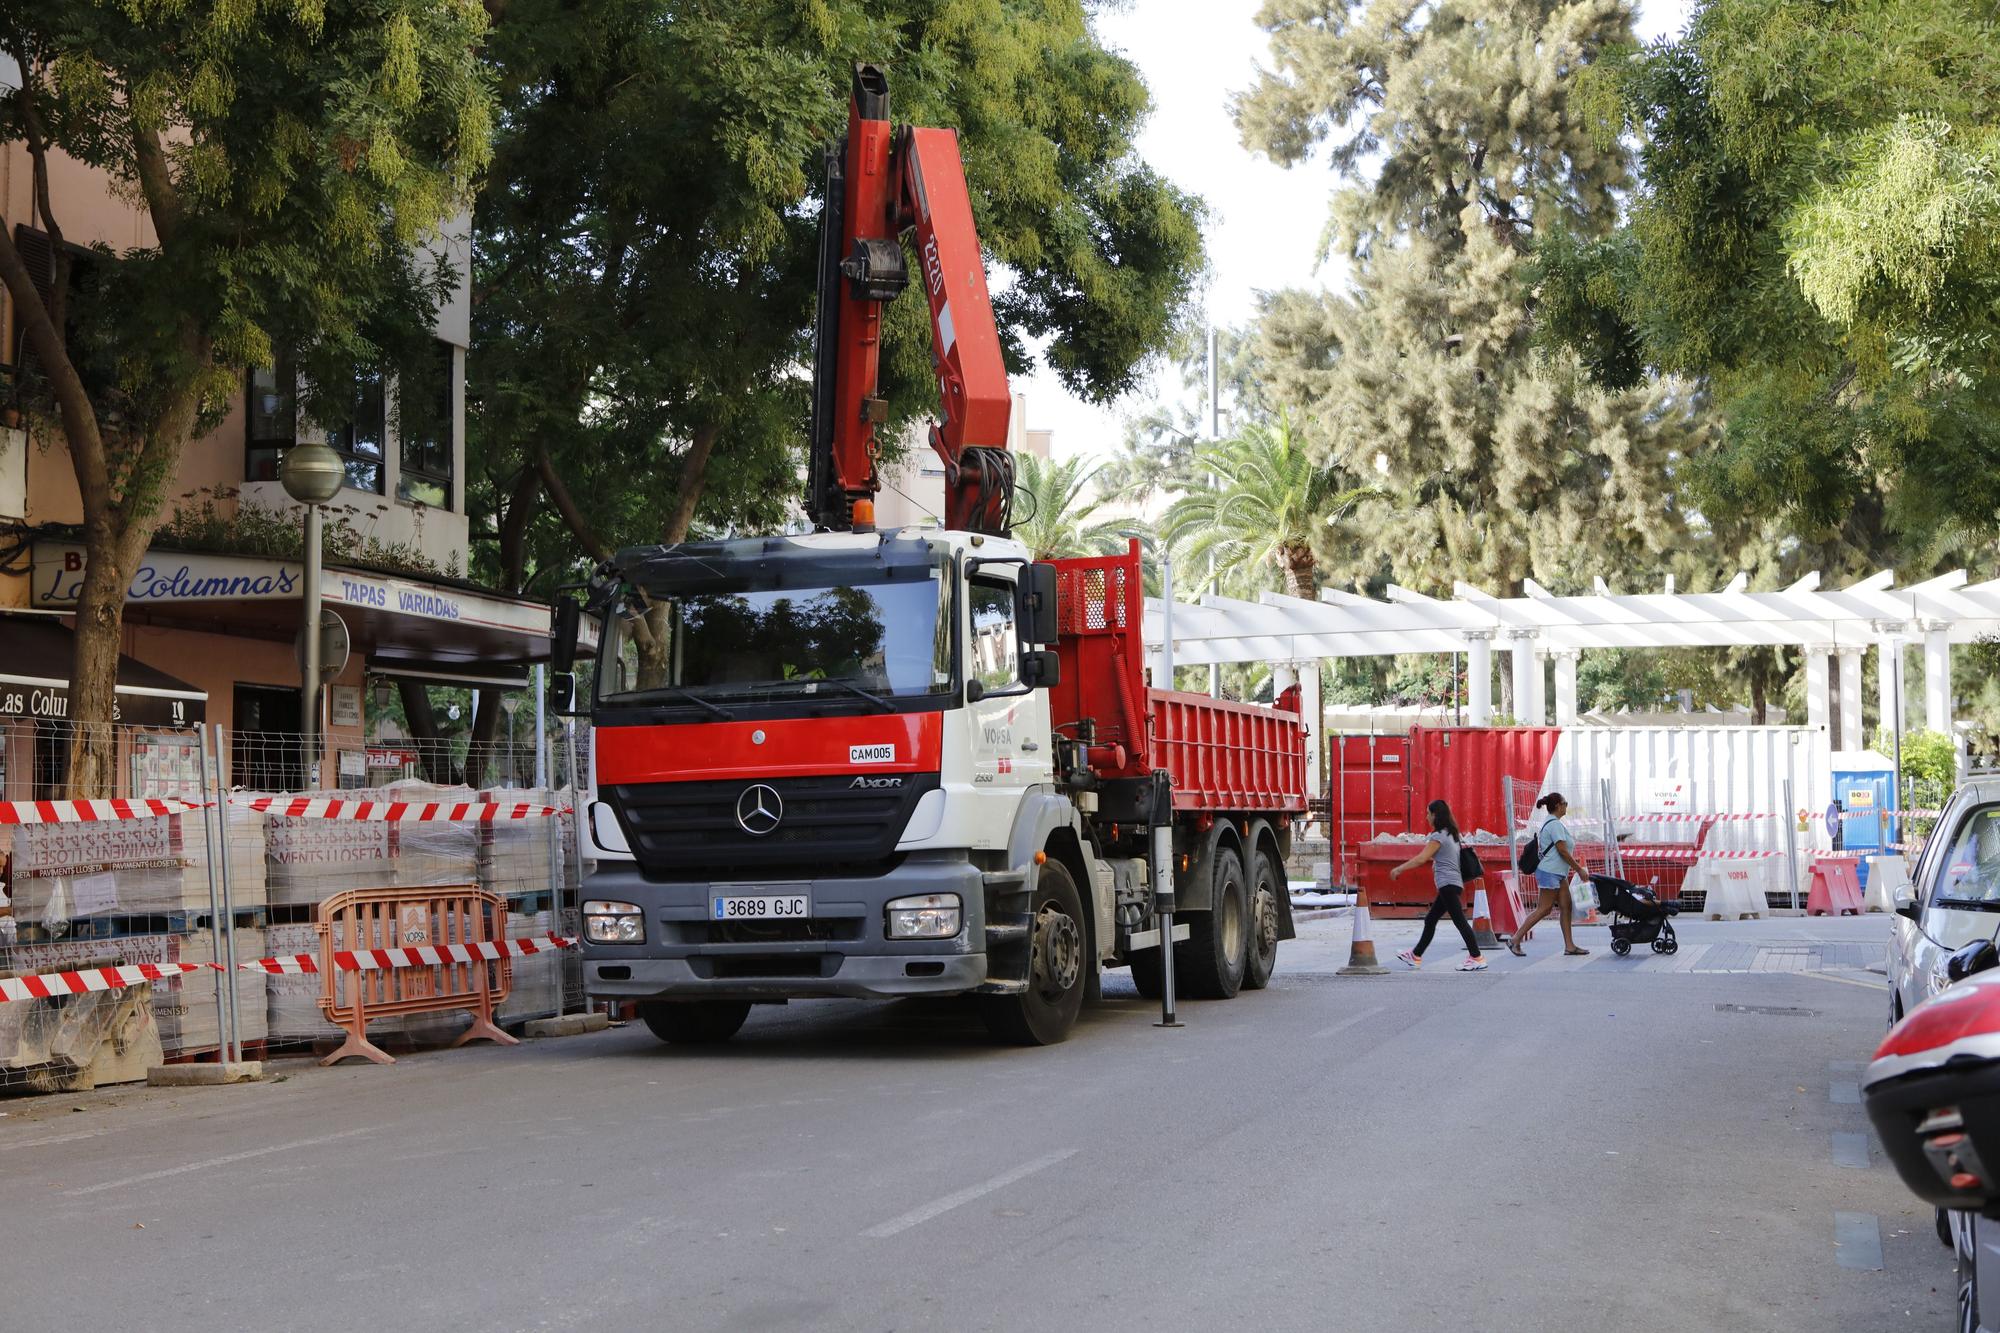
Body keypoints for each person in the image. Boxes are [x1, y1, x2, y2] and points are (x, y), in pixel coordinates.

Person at [1388, 798, 1488, 971]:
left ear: (1435, 815)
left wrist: (1399, 869)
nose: (1426, 817)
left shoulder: (1439, 836)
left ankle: (1476, 957)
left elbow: (1421, 858)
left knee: (1460, 921)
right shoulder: (1451, 834)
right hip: (1452, 884)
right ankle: (1416, 955)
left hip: (1448, 884)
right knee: (1431, 919)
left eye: (1428, 813)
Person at [1508, 792, 1591, 958]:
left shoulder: (1553, 823)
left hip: (1557, 873)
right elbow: (1562, 851)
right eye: (1565, 803)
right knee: (1544, 909)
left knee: (1566, 906)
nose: (1566, 806)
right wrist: (1578, 869)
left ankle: (1570, 946)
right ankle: (1515, 939)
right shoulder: (1554, 825)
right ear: (1558, 806)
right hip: (1550, 872)